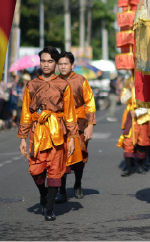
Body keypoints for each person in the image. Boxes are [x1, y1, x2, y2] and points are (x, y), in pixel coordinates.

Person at [18, 47, 78, 221]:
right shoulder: (31, 85)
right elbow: (25, 113)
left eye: (50, 61)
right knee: (35, 170)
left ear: (56, 64)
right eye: (43, 61)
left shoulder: (64, 85)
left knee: (54, 170)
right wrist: (22, 138)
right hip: (37, 132)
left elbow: (70, 113)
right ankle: (43, 194)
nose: (46, 64)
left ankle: (50, 208)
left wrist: (73, 138)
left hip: (57, 132)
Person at [56, 52, 96, 202]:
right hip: (59, 124)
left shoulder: (81, 80)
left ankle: (78, 184)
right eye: (60, 64)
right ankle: (61, 190)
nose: (63, 67)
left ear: (72, 65)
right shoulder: (53, 81)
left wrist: (90, 125)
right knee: (60, 156)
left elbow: (90, 103)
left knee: (79, 155)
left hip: (79, 123)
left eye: (65, 64)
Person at [118, 78, 150, 176]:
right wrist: (130, 90)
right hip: (131, 120)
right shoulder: (128, 81)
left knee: (142, 143)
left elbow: (149, 103)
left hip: (142, 120)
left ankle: (140, 166)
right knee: (128, 143)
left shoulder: (144, 81)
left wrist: (138, 112)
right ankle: (129, 168)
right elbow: (123, 100)